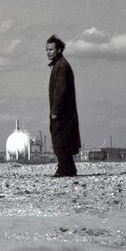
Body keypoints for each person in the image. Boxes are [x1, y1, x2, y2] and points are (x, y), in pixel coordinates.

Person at [46, 35, 81, 177]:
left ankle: (64, 169)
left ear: (59, 50)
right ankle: (69, 169)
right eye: (47, 49)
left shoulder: (61, 66)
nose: (48, 52)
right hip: (65, 113)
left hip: (62, 113)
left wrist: (55, 111)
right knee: (63, 140)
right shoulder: (59, 64)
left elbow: (60, 90)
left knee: (61, 140)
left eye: (51, 49)